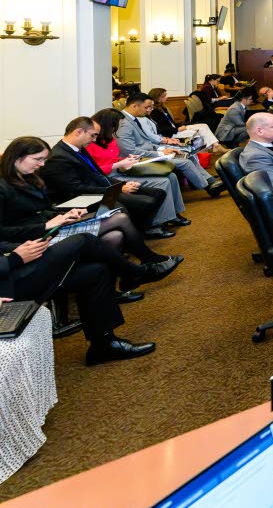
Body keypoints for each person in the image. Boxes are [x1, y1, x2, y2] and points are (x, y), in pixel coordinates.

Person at [0, 137, 182, 280]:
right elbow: (4, 231)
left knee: (115, 234)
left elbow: (41, 209)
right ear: (17, 157)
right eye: (37, 159)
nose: (42, 164)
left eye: (43, 159)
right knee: (118, 219)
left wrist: (64, 214)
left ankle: (130, 277)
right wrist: (46, 226)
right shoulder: (3, 186)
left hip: (48, 228)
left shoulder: (29, 177)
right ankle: (141, 268)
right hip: (32, 239)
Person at [1, 233, 162, 365]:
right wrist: (14, 258)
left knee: (96, 272)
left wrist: (26, 246)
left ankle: (103, 345)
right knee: (84, 241)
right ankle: (138, 273)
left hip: (10, 268)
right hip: (7, 281)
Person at [40, 117, 173, 238]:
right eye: (93, 135)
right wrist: (117, 189)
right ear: (79, 132)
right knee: (145, 202)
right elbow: (76, 189)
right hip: (83, 198)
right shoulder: (59, 157)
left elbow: (98, 175)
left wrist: (122, 185)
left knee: (158, 193)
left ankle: (141, 229)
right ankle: (135, 233)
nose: (94, 140)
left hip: (99, 189)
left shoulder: (78, 149)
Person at [89, 108, 189, 231]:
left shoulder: (109, 139)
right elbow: (93, 171)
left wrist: (126, 159)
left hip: (121, 171)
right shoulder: (90, 144)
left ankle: (173, 214)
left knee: (171, 176)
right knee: (163, 181)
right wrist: (118, 164)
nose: (118, 129)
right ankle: (156, 224)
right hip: (111, 177)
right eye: (117, 126)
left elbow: (113, 158)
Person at [116, 94, 225, 197]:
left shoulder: (133, 119)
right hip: (139, 159)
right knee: (185, 162)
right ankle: (208, 187)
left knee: (187, 155)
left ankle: (210, 180)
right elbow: (129, 151)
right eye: (147, 107)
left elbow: (146, 142)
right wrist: (160, 152)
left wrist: (164, 149)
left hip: (149, 153)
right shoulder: (124, 123)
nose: (149, 110)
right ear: (134, 106)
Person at [146, 88, 221, 151]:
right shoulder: (154, 111)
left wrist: (183, 125)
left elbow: (170, 123)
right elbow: (160, 128)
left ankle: (213, 147)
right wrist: (177, 129)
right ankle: (211, 148)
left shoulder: (162, 107)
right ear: (157, 98)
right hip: (171, 133)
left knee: (203, 126)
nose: (166, 97)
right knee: (199, 133)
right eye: (164, 96)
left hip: (174, 129)